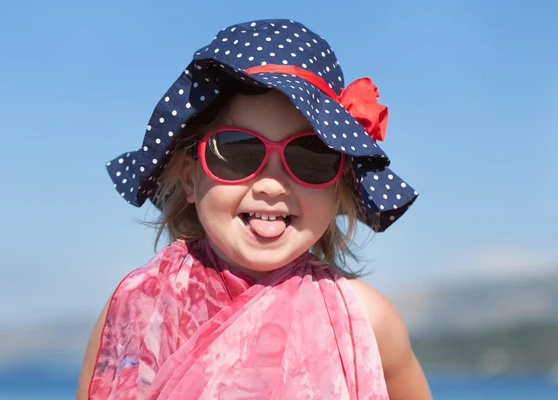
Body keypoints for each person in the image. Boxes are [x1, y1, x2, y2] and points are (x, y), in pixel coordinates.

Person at [76, 19, 431, 399]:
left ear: (339, 183)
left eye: (310, 157)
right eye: (238, 152)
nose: (271, 184)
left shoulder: (368, 322)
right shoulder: (135, 308)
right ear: (189, 176)